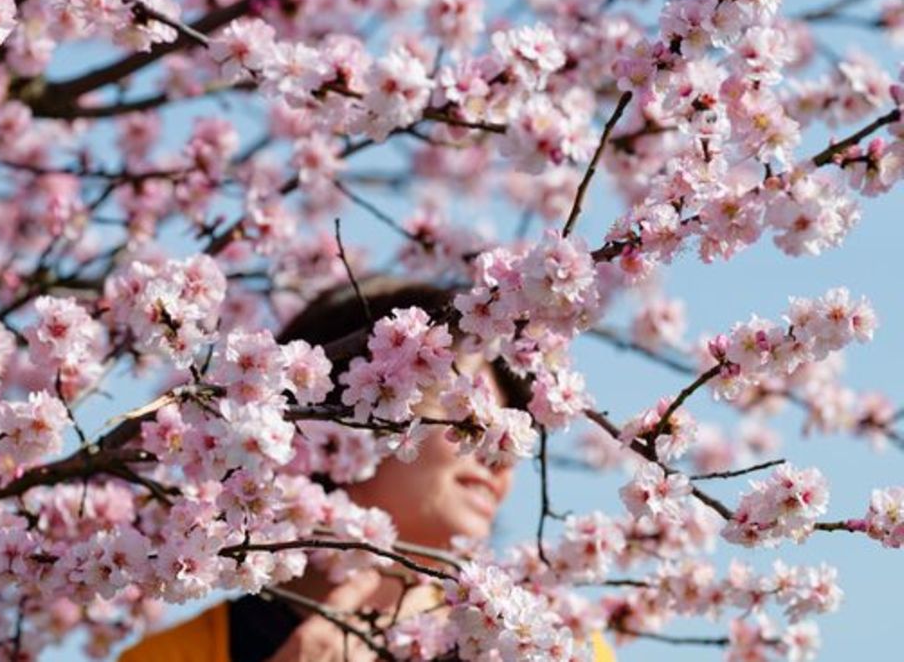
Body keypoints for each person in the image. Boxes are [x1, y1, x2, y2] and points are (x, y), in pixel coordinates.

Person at [119, 278, 616, 662]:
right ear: (336, 416)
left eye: (505, 435)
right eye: (469, 420)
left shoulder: (553, 642)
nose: (497, 456)